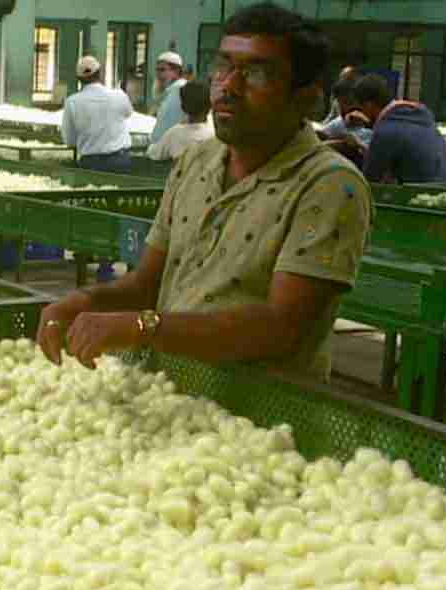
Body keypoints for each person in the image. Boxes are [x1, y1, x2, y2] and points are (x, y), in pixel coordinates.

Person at [38, 2, 372, 383]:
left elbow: (281, 328)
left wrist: (145, 327)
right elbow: (148, 283)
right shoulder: (196, 162)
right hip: (170, 398)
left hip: (260, 423)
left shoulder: (328, 186)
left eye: (256, 73)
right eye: (224, 67)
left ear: (306, 97)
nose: (229, 85)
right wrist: (85, 301)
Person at [354, 74, 446, 185]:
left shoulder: (386, 129)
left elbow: (370, 179)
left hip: (424, 194)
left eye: (360, 108)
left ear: (369, 105)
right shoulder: (419, 115)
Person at [61, 56, 133, 173]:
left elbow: (69, 139)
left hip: (90, 163)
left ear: (79, 79)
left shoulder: (72, 102)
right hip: (120, 161)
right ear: (100, 73)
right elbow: (128, 113)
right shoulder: (119, 96)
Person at [146, 80, 215, 161]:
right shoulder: (215, 133)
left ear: (182, 107)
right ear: (210, 106)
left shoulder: (174, 134)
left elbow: (153, 153)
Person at [150, 51, 188, 144]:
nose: (158, 74)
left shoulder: (181, 90)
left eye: (162, 70)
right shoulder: (169, 91)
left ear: (176, 71)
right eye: (157, 70)